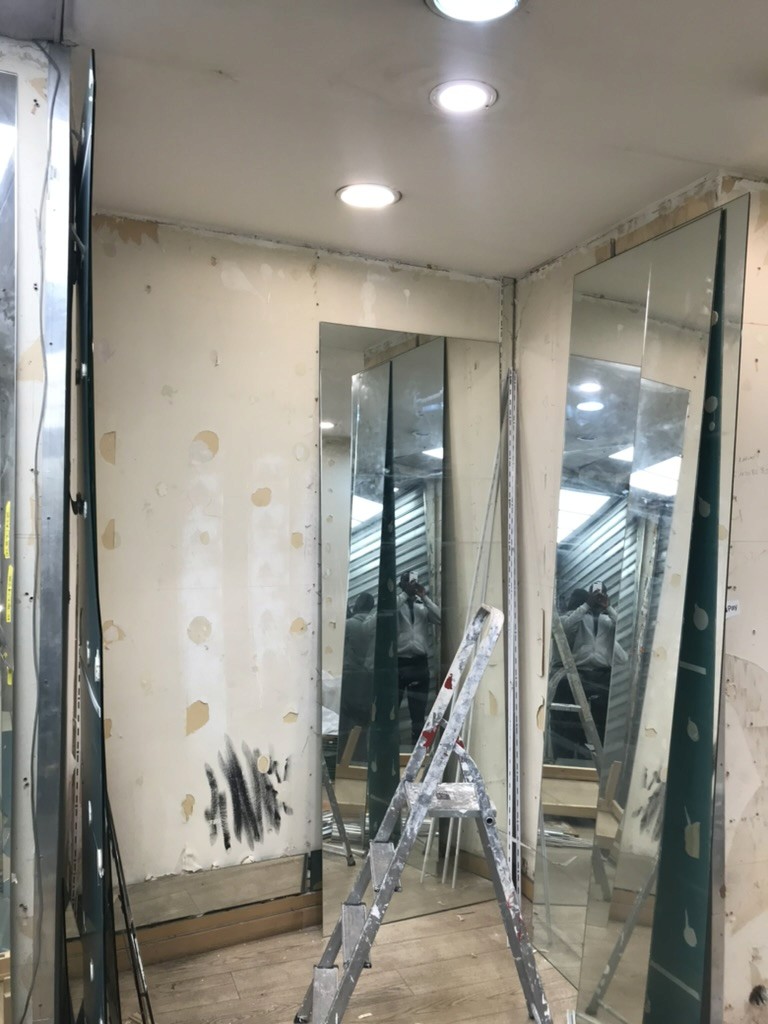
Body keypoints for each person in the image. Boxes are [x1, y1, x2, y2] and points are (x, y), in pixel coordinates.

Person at [550, 583, 627, 758]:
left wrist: (608, 608)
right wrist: (586, 606)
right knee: (572, 719)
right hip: (579, 673)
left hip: (603, 674)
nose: (598, 598)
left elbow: (624, 628)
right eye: (595, 595)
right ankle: (566, 755)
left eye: (601, 595)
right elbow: (564, 629)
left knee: (602, 720)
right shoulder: (578, 618)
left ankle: (600, 756)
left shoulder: (607, 621)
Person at [396, 570, 441, 744]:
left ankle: (417, 749)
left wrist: (424, 597)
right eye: (408, 583)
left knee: (418, 713)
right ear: (402, 585)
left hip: (419, 664)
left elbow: (440, 618)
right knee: (392, 710)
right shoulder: (397, 603)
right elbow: (388, 612)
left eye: (414, 583)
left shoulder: (421, 606)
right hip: (399, 663)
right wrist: (404, 594)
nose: (412, 586)